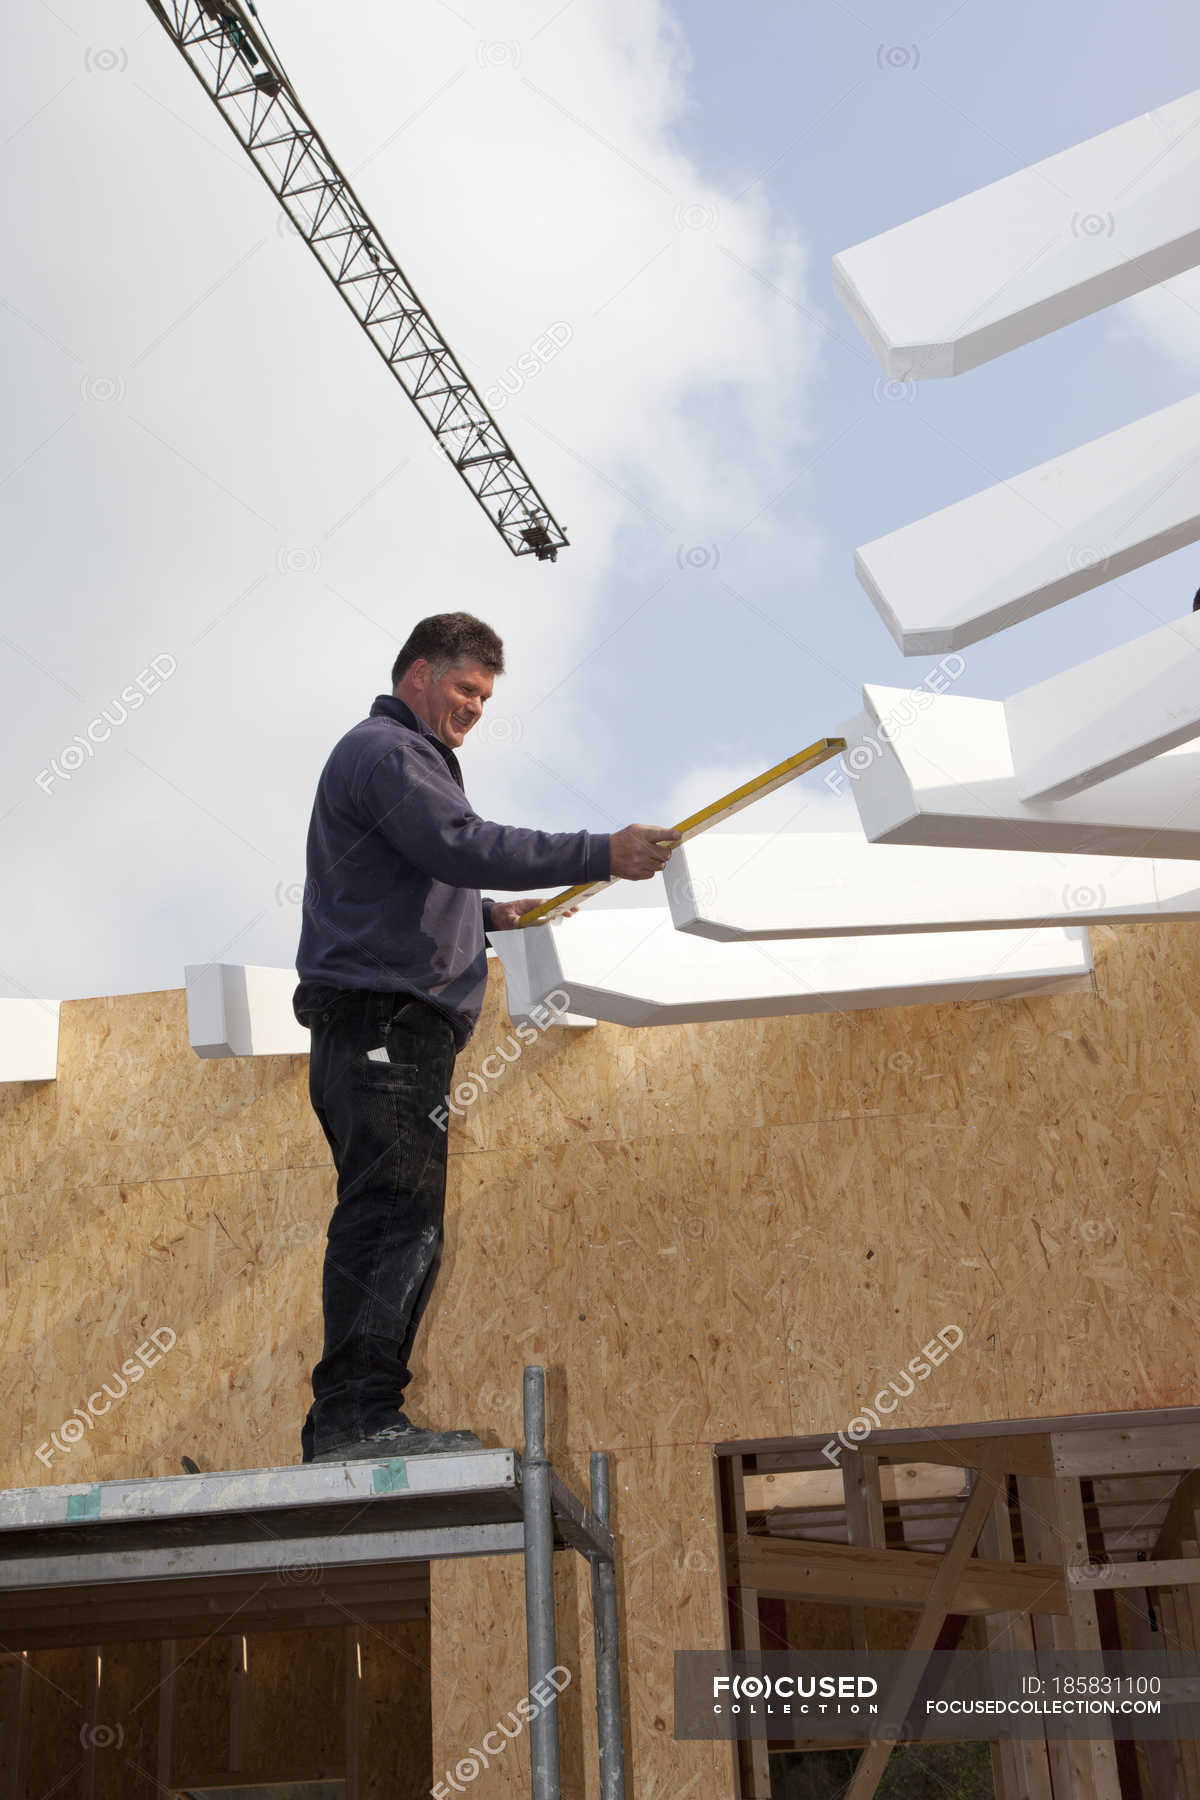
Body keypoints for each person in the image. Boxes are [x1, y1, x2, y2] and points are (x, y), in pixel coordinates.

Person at [292, 611, 680, 1463]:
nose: (474, 707)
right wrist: (600, 851)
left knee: (393, 1215)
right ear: (420, 673)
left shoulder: (398, 759)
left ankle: (352, 1416)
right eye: (465, 688)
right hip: (385, 1025)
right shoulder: (389, 753)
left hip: (381, 1028)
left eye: (485, 697)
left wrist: (492, 918)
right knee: (396, 1217)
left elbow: (411, 881)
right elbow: (457, 843)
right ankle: (356, 1419)